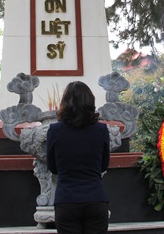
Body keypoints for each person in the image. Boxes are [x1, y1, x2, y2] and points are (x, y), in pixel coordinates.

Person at [46, 81, 110, 234]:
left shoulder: (54, 130)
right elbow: (103, 166)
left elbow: (52, 167)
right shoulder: (101, 130)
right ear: (90, 102)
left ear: (65, 103)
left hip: (66, 199)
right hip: (96, 197)